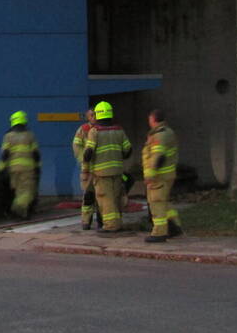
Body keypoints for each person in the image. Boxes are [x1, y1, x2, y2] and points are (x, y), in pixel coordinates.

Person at [82, 101, 132, 235]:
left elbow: (88, 152)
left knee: (106, 200)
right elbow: (128, 150)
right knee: (116, 198)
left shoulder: (95, 132)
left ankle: (110, 226)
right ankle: (118, 223)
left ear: (98, 115)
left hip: (101, 173)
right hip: (117, 171)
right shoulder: (119, 130)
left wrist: (86, 162)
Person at [142, 108, 183, 243]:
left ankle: (159, 232)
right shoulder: (168, 132)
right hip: (168, 174)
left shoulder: (159, 136)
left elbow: (158, 157)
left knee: (156, 203)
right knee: (164, 201)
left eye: (149, 119)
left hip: (159, 176)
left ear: (153, 119)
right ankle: (174, 226)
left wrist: (150, 176)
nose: (149, 122)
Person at [0, 111, 41, 219]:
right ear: (24, 120)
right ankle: (16, 209)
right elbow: (36, 154)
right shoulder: (30, 136)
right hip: (28, 169)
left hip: (13, 169)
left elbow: (4, 154)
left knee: (18, 191)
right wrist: (38, 167)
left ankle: (22, 214)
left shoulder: (8, 136)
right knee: (27, 192)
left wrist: (2, 168)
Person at [72, 108, 98, 230]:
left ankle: (102, 220)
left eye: (96, 115)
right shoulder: (83, 130)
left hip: (99, 167)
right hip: (87, 168)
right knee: (88, 195)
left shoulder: (101, 129)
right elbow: (76, 146)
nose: (94, 117)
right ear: (88, 117)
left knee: (102, 196)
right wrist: (84, 159)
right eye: (92, 115)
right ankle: (86, 221)